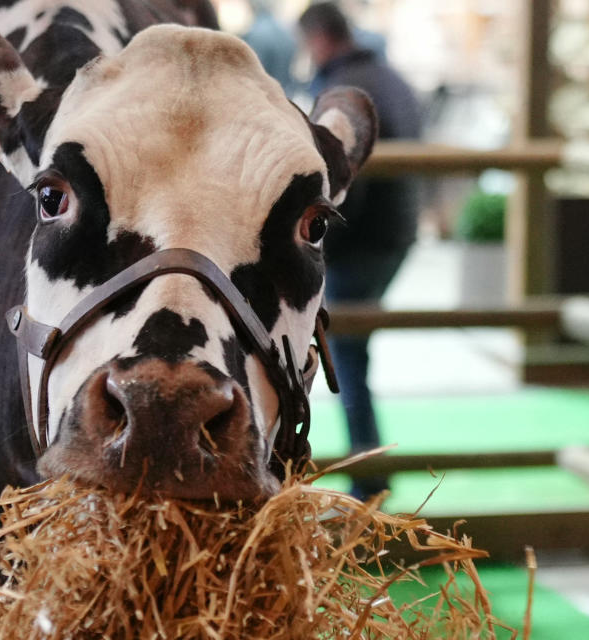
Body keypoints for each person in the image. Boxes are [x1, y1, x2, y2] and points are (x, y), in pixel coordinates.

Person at [299, 2, 422, 500]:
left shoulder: (342, 91)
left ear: (318, 39)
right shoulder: (390, 76)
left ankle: (369, 480)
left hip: (359, 241)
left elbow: (347, 184)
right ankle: (370, 476)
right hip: (394, 235)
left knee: (343, 357)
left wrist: (314, 244)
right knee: (349, 355)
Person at [242, 1, 297, 95]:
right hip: (284, 96)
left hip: (263, 97)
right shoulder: (286, 33)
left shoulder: (256, 34)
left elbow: (252, 75)